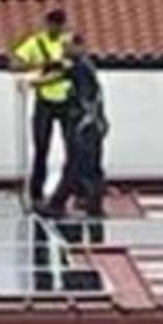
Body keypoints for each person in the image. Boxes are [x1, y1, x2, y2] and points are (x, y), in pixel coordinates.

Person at [10, 8, 74, 214]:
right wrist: (39, 65)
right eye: (53, 25)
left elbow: (69, 70)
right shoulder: (36, 43)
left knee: (73, 150)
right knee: (41, 150)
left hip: (67, 102)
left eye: (60, 25)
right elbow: (15, 63)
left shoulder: (67, 43)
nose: (56, 29)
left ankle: (69, 193)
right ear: (47, 24)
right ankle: (36, 195)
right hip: (45, 102)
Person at [55, 34, 108, 217]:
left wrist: (83, 123)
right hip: (91, 124)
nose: (63, 51)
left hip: (86, 126)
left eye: (66, 47)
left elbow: (88, 101)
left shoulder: (82, 68)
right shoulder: (82, 67)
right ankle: (90, 203)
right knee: (88, 167)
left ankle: (58, 202)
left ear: (79, 46)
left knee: (78, 165)